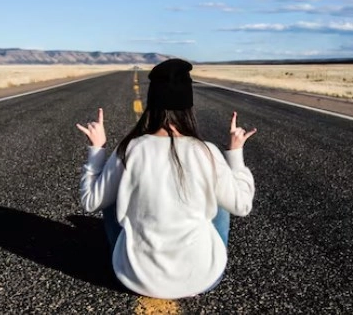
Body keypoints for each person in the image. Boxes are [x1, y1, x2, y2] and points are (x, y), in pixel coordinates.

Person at [76, 58, 256, 299]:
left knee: (110, 193)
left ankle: (127, 256)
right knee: (221, 195)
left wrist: (97, 150)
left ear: (152, 104)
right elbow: (242, 206)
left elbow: (91, 201)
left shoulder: (130, 149)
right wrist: (235, 154)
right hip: (202, 278)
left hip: (135, 279)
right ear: (188, 107)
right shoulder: (207, 152)